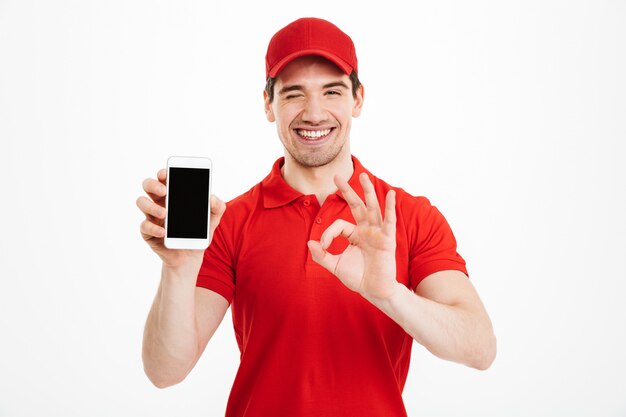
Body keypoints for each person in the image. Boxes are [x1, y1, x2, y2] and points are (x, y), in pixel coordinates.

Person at [137, 17, 496, 417]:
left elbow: (479, 348)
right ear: (268, 104)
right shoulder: (229, 223)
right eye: (294, 94)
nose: (314, 112)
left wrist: (390, 294)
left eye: (332, 91)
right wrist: (179, 269)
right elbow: (165, 371)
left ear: (358, 99)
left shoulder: (408, 216)